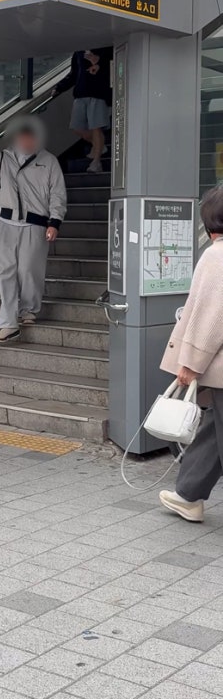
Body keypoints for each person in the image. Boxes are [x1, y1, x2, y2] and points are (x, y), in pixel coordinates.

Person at [159, 186, 223, 523]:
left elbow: (211, 317)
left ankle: (188, 495)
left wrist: (190, 363)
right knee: (214, 430)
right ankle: (188, 494)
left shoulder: (217, 256)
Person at [0, 117, 67, 344]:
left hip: (36, 225)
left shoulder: (49, 161)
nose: (26, 143)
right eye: (22, 139)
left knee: (29, 270)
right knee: (6, 273)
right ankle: (8, 323)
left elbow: (57, 193)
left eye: (30, 139)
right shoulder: (1, 158)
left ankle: (29, 309)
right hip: (6, 223)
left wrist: (55, 221)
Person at [52, 47, 113, 172]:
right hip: (80, 94)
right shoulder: (79, 51)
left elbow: (113, 65)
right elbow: (74, 73)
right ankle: (99, 146)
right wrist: (59, 87)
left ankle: (96, 162)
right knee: (77, 127)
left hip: (98, 94)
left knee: (96, 127)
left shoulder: (105, 48)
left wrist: (98, 61)